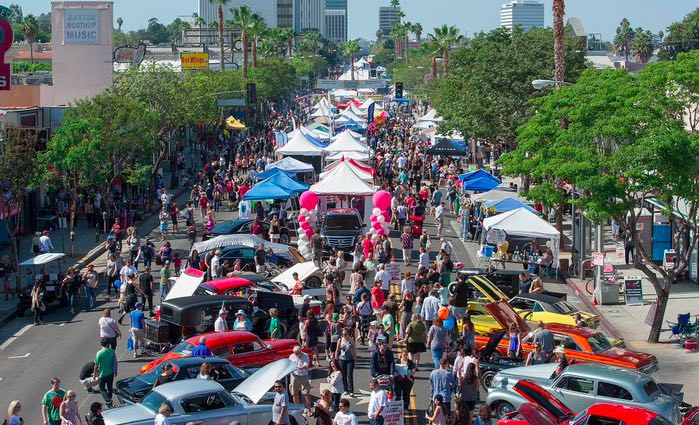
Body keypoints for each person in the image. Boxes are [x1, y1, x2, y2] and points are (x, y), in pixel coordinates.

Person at [93, 338, 117, 408]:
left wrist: (94, 374)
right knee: (109, 388)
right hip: (110, 373)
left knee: (102, 389)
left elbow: (96, 366)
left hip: (102, 374)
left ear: (101, 344)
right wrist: (115, 371)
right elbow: (114, 362)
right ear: (108, 344)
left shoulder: (99, 353)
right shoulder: (112, 351)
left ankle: (108, 401)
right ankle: (109, 403)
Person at [289, 346, 312, 414]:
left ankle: (308, 410)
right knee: (294, 393)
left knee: (306, 393)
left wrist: (300, 368)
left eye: (297, 353)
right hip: (294, 376)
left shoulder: (305, 355)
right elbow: (289, 365)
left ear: (300, 351)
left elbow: (306, 365)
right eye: (294, 353)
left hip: (303, 376)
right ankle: (297, 409)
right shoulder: (291, 356)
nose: (295, 354)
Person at [335, 327, 356, 397]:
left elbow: (354, 350)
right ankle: (345, 389)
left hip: (350, 360)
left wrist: (355, 360)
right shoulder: (340, 340)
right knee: (343, 375)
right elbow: (337, 350)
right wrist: (336, 359)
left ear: (348, 334)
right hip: (342, 359)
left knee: (349, 375)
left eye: (345, 334)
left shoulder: (351, 340)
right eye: (343, 334)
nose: (344, 335)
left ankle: (351, 391)